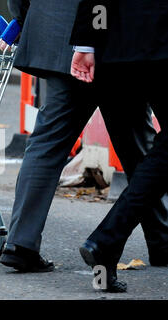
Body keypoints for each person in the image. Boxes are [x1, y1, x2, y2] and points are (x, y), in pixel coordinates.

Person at [0, 0, 168, 274]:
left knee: (47, 144)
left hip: (59, 34)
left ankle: (20, 244)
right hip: (115, 39)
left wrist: (22, 17)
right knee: (139, 147)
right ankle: (160, 240)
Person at [70, 0, 168, 292]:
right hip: (158, 46)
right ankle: (106, 240)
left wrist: (86, 43)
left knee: (139, 154)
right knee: (146, 156)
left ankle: (129, 248)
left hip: (113, 49)